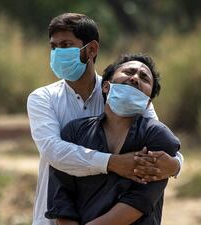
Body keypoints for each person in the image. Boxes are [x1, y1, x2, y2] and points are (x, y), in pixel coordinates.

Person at [27, 13, 184, 225]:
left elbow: (160, 143)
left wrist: (175, 166)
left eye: (66, 45)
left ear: (91, 49)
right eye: (53, 47)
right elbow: (53, 151)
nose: (57, 53)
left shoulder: (125, 93)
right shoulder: (43, 98)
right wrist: (113, 163)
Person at [45, 54, 180, 225]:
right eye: (129, 71)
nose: (135, 78)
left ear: (147, 103)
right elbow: (62, 198)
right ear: (106, 87)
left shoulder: (157, 136)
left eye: (144, 77)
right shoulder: (74, 132)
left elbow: (140, 200)